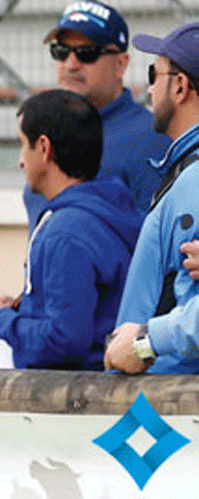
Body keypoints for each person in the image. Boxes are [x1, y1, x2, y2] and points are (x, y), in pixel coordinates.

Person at [0, 89, 142, 370]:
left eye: (23, 145)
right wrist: (24, 309)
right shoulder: (113, 209)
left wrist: (1, 321)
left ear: (44, 148)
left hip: (82, 392)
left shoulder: (65, 233)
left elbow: (64, 340)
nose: (20, 161)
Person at [24, 0, 170, 232]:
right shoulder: (48, 130)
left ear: (121, 64)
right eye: (61, 51)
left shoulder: (149, 138)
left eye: (87, 53)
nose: (71, 64)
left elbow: (158, 238)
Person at [104, 21, 199, 374]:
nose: (149, 89)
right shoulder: (184, 172)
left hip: (166, 396)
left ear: (180, 86)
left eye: (153, 75)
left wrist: (143, 341)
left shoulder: (194, 182)